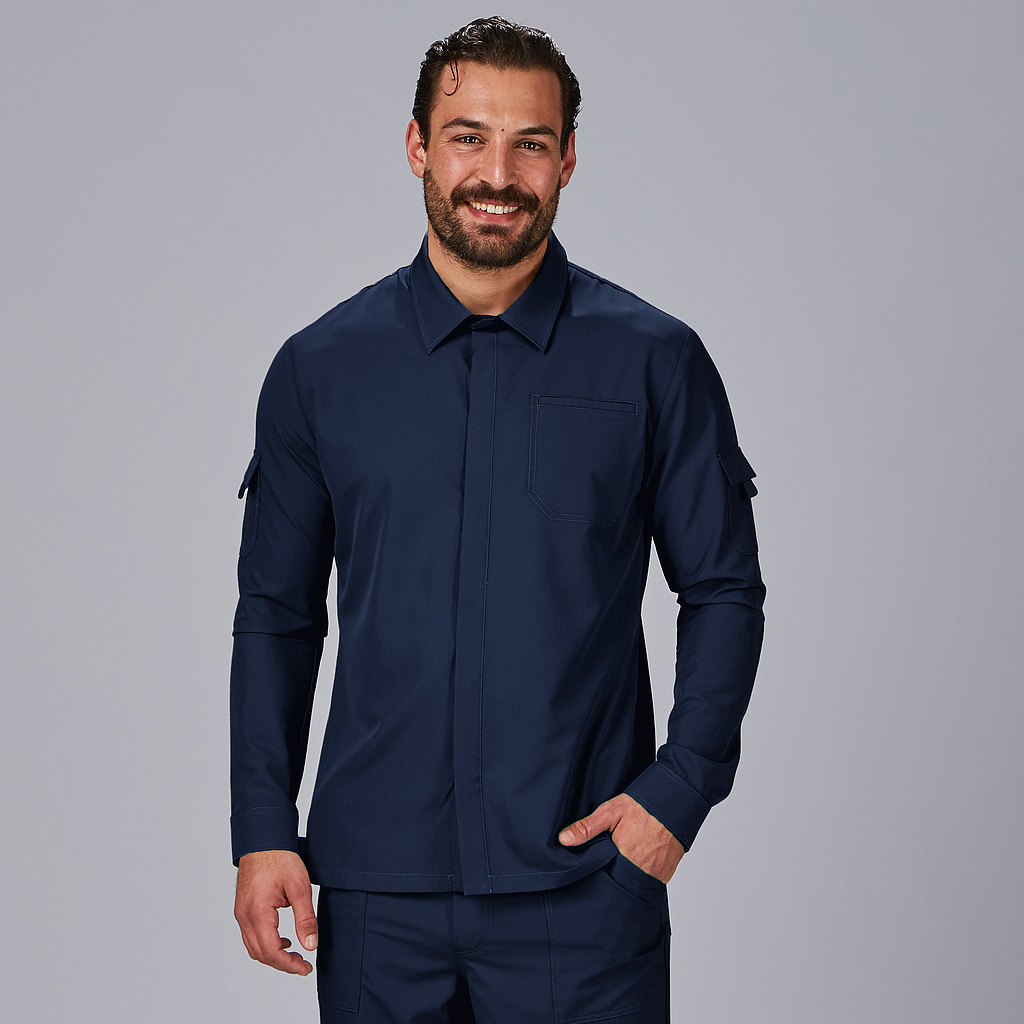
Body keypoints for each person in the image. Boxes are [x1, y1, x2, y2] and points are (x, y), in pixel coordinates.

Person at [230, 16, 765, 1023]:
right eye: (468, 137)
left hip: (584, 888)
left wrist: (679, 790)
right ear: (417, 146)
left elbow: (724, 588)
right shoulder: (318, 369)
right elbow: (276, 615)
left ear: (568, 159)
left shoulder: (654, 361)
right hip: (378, 898)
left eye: (530, 143)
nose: (498, 173)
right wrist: (263, 825)